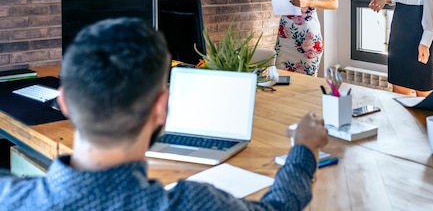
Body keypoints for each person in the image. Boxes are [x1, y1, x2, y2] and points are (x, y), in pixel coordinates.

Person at [0, 17, 329, 210]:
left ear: (65, 103)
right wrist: (304, 149)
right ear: (162, 107)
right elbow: (278, 206)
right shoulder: (195, 203)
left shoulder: (9, 198)